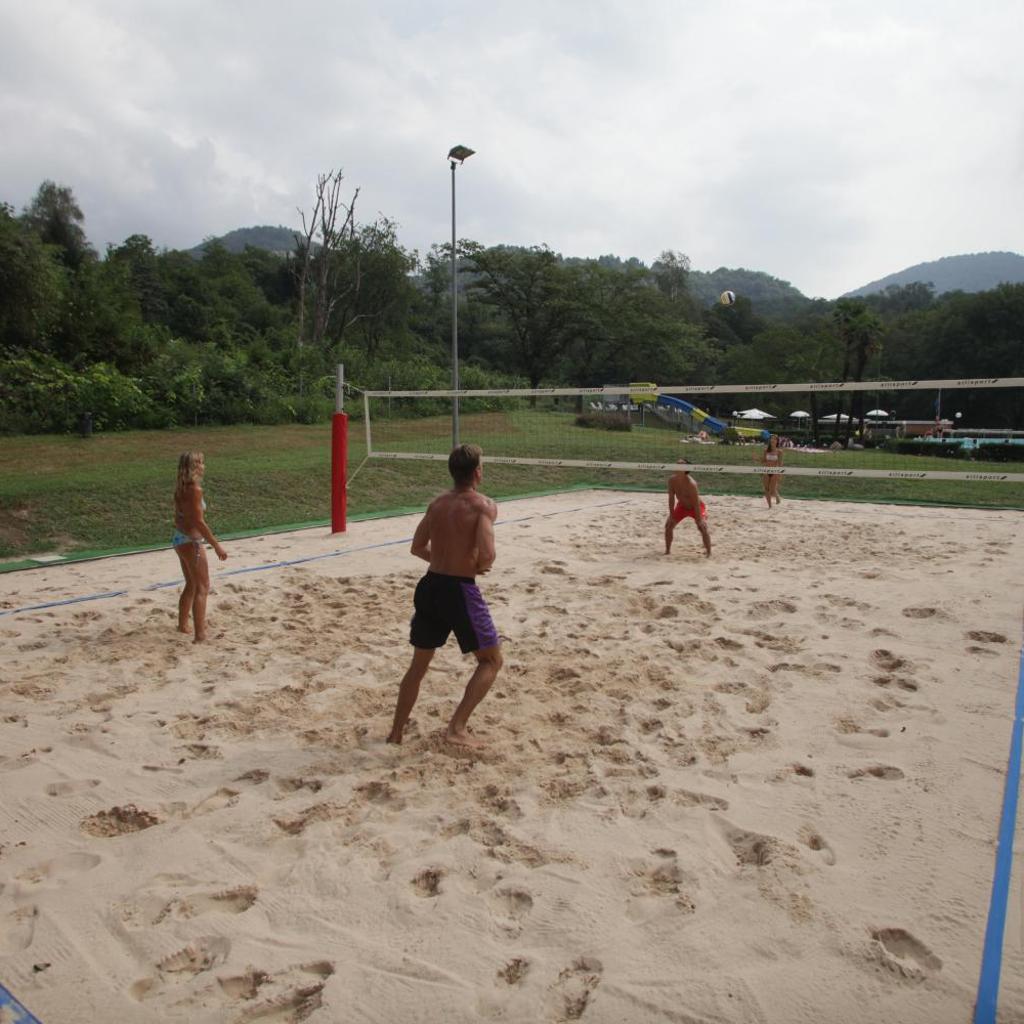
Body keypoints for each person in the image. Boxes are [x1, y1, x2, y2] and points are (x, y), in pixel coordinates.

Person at [387, 443, 502, 749]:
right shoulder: (484, 506)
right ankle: (456, 728)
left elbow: (417, 547)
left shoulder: (436, 504)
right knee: (491, 660)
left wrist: (444, 561)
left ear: (453, 472)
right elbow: (488, 555)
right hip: (459, 590)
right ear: (477, 472)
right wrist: (475, 567)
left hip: (430, 586)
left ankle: (395, 733)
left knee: (418, 666)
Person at [173, 451, 228, 642]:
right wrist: (216, 546)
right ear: (194, 467)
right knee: (202, 588)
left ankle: (182, 625)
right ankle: (200, 635)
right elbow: (199, 522)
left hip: (179, 539)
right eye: (201, 463)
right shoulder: (195, 490)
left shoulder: (181, 487)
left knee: (191, 584)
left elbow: (180, 517)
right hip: (191, 542)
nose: (204, 466)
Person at [664, 459, 711, 557]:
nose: (677, 465)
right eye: (677, 463)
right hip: (682, 506)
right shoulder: (671, 480)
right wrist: (671, 515)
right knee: (668, 525)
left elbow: (696, 504)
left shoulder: (691, 484)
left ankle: (709, 553)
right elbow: (671, 498)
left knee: (702, 527)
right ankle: (667, 551)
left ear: (686, 469)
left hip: (696, 507)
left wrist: (699, 519)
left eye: (680, 464)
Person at [760, 433, 783, 508]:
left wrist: (780, 474)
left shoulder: (779, 451)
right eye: (771, 438)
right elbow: (763, 461)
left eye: (774, 439)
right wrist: (756, 458)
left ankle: (777, 497)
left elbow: (780, 464)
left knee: (772, 489)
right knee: (766, 489)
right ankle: (770, 506)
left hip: (774, 471)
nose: (772, 440)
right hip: (766, 471)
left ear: (777, 441)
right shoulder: (766, 450)